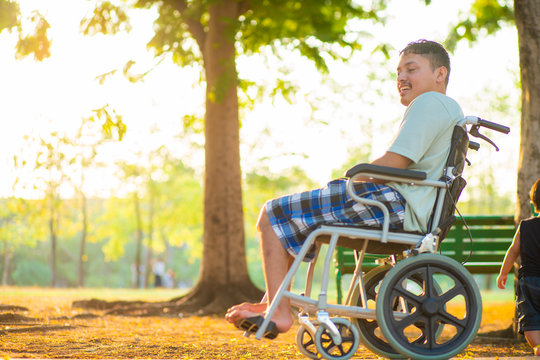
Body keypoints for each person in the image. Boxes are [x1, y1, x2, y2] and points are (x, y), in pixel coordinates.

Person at [226, 39, 464, 337]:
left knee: (273, 213)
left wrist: (354, 180)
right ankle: (273, 303)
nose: (402, 78)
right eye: (398, 72)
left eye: (411, 69)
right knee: (293, 219)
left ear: (440, 74)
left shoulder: (431, 102)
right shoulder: (444, 109)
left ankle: (279, 310)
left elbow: (395, 163)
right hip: (407, 206)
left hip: (396, 205)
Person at [497, 179, 540, 356]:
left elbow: (513, 250)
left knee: (530, 317)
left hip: (529, 280)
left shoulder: (526, 225)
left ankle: (537, 346)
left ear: (534, 202)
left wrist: (503, 272)